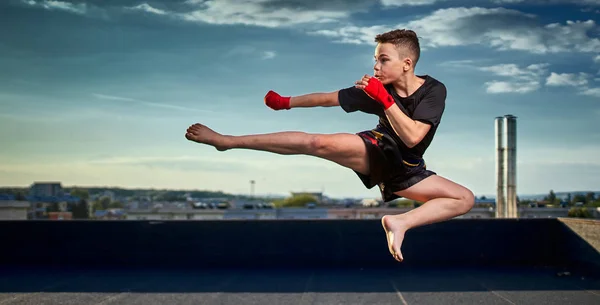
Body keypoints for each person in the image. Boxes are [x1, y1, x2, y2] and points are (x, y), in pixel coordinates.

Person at [185, 29, 474, 262]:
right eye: (375, 59)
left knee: (464, 199)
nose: (375, 66)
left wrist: (383, 100)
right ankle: (227, 141)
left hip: (409, 170)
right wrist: (286, 103)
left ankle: (400, 223)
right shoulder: (377, 88)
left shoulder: (433, 91)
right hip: (378, 147)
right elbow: (327, 98)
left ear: (407, 64)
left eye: (383, 59)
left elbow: (413, 137)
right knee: (317, 142)